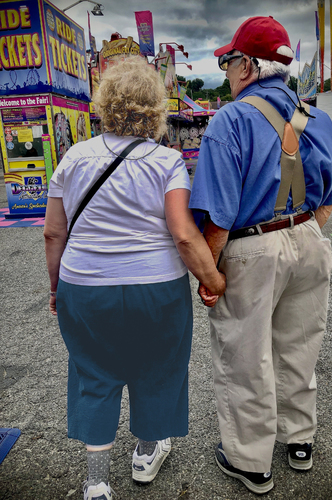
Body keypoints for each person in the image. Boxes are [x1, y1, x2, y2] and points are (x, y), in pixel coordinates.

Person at [44, 57, 225, 500]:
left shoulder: (72, 157)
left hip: (84, 286)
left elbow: (53, 231)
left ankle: (97, 481)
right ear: (154, 108)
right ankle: (146, 452)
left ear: (105, 103)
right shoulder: (166, 161)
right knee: (158, 370)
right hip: (156, 289)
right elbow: (182, 234)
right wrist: (212, 279)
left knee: (94, 374)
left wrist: (56, 288)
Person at [189, 16, 332, 495]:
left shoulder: (230, 121)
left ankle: (250, 460)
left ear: (251, 65)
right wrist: (304, 232)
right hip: (307, 239)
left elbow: (217, 215)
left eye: (230, 60)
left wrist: (210, 276)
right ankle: (299, 439)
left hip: (253, 246)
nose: (227, 70)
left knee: (245, 355)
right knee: (300, 343)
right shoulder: (314, 115)